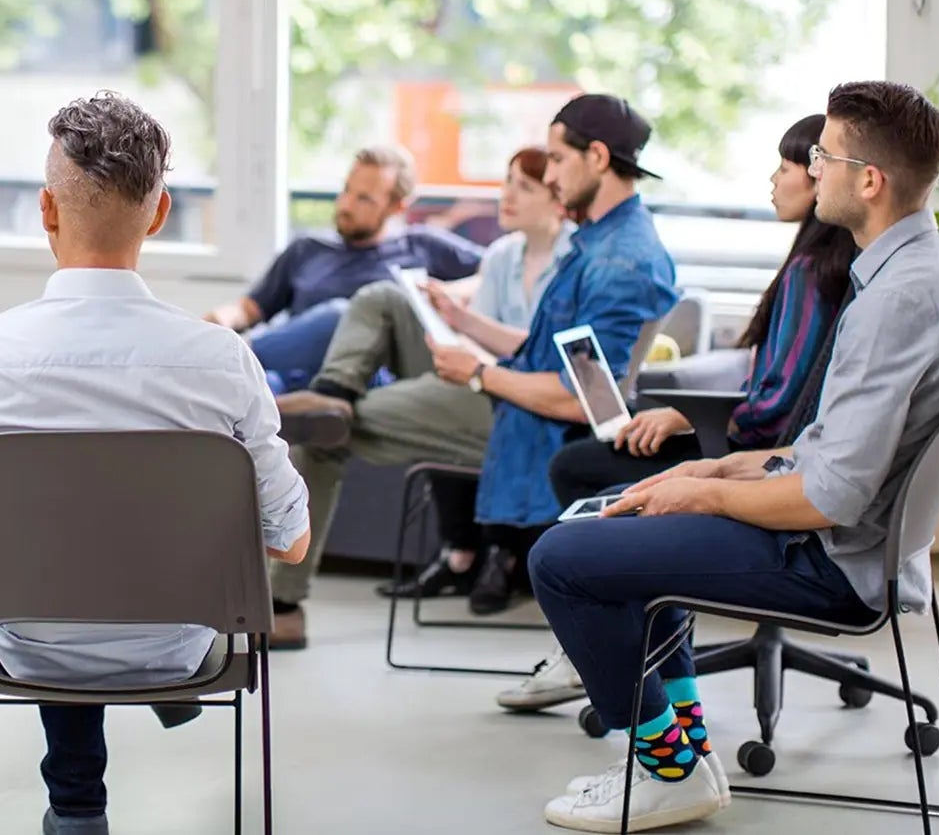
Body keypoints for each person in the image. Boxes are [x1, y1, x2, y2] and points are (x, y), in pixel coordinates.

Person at [527, 81, 939, 832]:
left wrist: (700, 496)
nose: (812, 169)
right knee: (632, 526)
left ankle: (669, 770)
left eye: (823, 157)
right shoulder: (928, 273)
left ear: (868, 181)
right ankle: (686, 757)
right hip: (854, 545)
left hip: (831, 562)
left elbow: (827, 499)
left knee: (563, 559)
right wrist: (715, 468)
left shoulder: (896, 300)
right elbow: (831, 450)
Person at [0, 92, 310, 835]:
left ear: (46, 211)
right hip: (177, 642)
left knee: (55, 563)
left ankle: (75, 809)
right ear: (159, 213)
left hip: (22, 640)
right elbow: (290, 541)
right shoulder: (222, 361)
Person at [270, 94, 678, 646]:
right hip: (513, 388)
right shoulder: (600, 241)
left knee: (320, 440)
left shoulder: (618, 261)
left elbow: (580, 398)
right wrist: (464, 322)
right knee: (383, 300)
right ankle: (333, 394)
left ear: (598, 158)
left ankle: (282, 603)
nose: (550, 176)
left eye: (557, 161)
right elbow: (554, 350)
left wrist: (479, 374)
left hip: (531, 423)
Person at [496, 113, 857, 712]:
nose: (773, 179)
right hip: (775, 455)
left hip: (763, 459)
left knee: (582, 477)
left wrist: (696, 431)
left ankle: (609, 660)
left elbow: (775, 406)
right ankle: (657, 687)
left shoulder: (811, 272)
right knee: (594, 471)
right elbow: (776, 382)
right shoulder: (830, 263)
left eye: (786, 167)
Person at [378, 146, 575, 600]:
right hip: (494, 379)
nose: (507, 195)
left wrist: (479, 355)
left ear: (558, 198)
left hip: (542, 389)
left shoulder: (576, 260)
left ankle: (493, 553)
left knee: (488, 410)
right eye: (507, 182)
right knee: (443, 404)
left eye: (525, 187)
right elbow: (481, 336)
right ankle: (463, 552)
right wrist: (461, 343)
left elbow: (546, 350)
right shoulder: (501, 256)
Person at [204, 144, 483, 394]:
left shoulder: (421, 246)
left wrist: (448, 291)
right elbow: (250, 308)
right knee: (240, 393)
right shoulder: (307, 249)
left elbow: (492, 269)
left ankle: (231, 357)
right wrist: (219, 319)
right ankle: (233, 363)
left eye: (364, 199)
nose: (346, 204)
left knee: (346, 314)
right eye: (347, 190)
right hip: (294, 374)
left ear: (396, 207)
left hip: (369, 377)